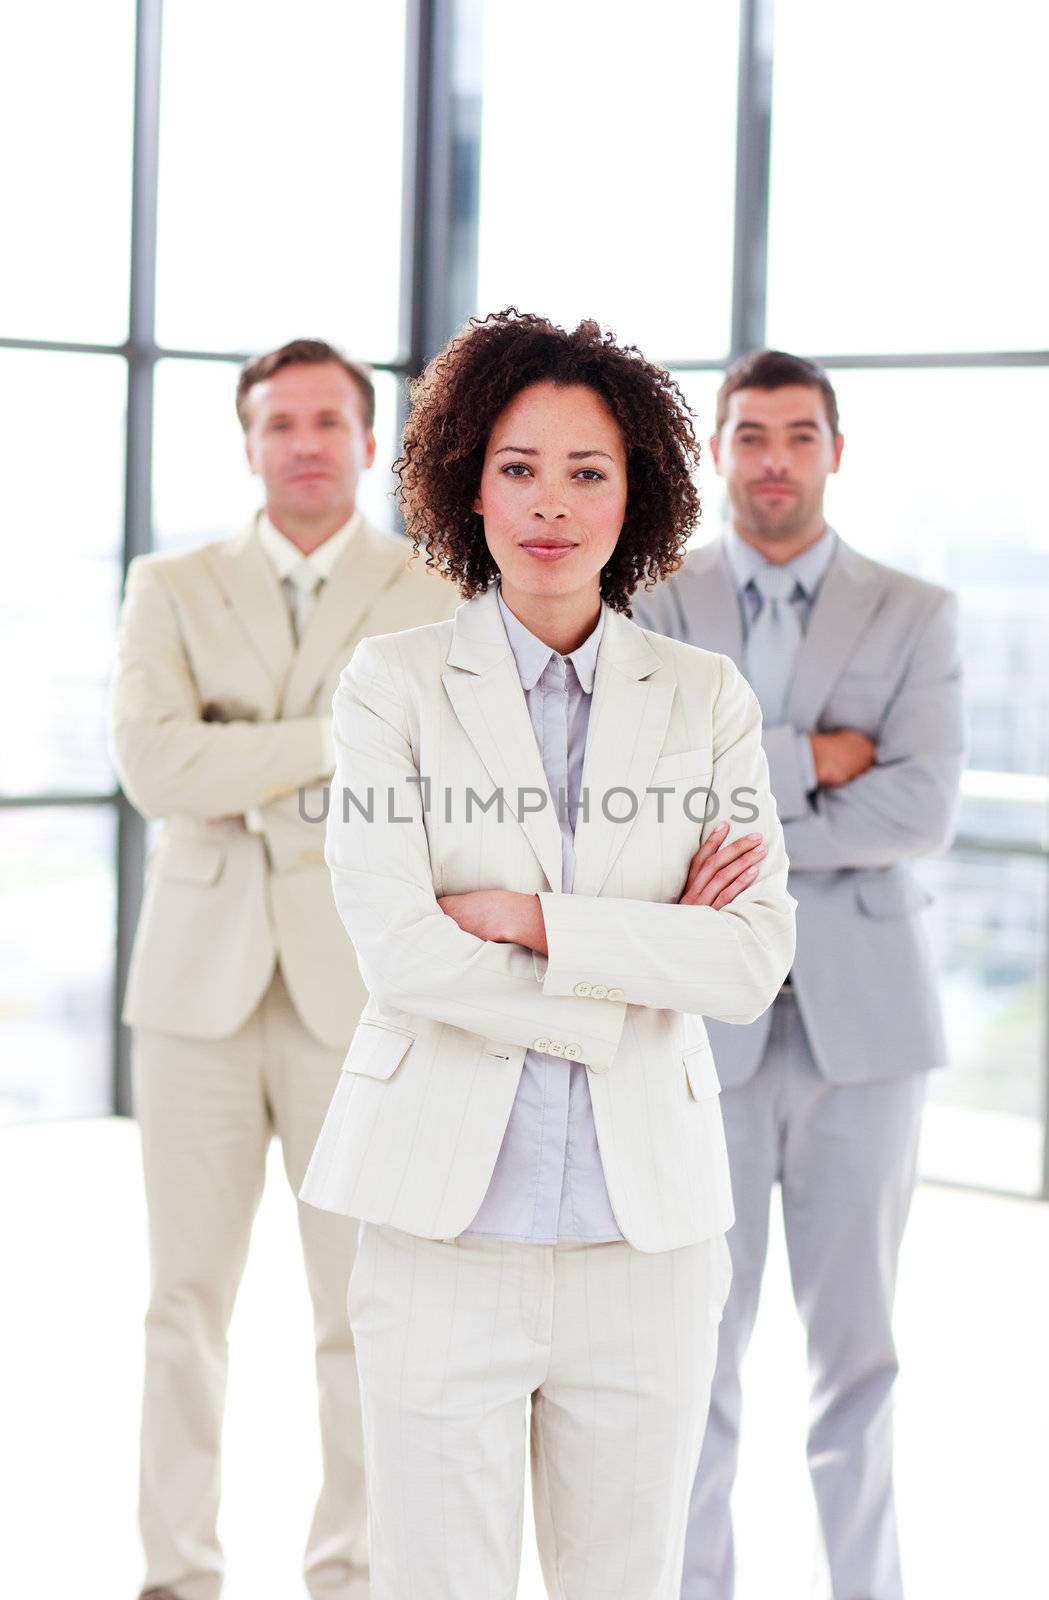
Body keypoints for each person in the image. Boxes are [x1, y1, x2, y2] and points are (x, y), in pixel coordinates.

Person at [299, 310, 797, 1600]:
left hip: (649, 1241)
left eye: (589, 471)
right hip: (440, 1229)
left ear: (638, 495)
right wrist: (642, 959)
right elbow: (401, 953)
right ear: (468, 480)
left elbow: (745, 965)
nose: (551, 505)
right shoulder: (390, 685)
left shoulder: (704, 700)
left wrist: (539, 921)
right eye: (518, 467)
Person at [110, 337, 459, 1600]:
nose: (305, 442)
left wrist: (238, 753)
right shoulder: (171, 583)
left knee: (360, 1312)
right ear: (249, 442)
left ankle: (352, 1573)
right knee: (182, 1309)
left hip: (360, 988)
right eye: (280, 424)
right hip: (195, 990)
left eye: (328, 421)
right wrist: (334, 742)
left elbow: (433, 773)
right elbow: (155, 769)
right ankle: (177, 1574)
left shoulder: (430, 590)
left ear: (370, 443)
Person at [633, 349, 966, 1600]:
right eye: (750, 435)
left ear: (834, 451)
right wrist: (820, 760)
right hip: (700, 1026)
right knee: (691, 1356)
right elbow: (650, 800)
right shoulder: (658, 603)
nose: (773, 458)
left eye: (798, 435)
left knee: (858, 1360)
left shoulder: (912, 610)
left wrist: (751, 819)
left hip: (866, 1035)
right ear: (718, 451)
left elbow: (921, 802)